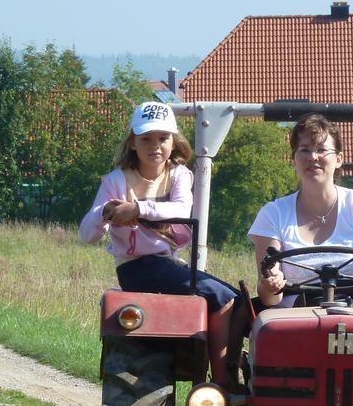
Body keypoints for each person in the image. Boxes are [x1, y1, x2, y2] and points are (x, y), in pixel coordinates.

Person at [80, 102, 240, 385]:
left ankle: (240, 367)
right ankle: (222, 383)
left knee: (234, 299)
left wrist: (137, 210)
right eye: (146, 139)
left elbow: (181, 210)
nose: (156, 146)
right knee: (223, 298)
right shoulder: (117, 181)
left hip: (167, 265)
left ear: (173, 142)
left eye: (163, 139)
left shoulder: (178, 175)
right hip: (136, 268)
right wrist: (104, 213)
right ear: (132, 143)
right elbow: (87, 234)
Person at [248, 113, 353, 307]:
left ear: (338, 159)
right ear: (294, 158)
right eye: (304, 150)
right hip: (294, 318)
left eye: (321, 150)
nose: (313, 157)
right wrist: (269, 285)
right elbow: (270, 298)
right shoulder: (273, 214)